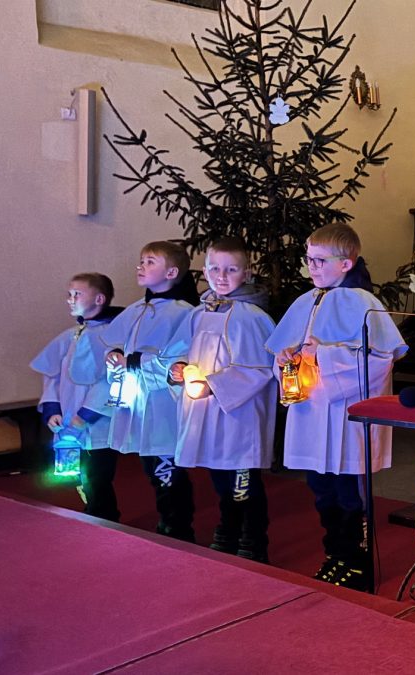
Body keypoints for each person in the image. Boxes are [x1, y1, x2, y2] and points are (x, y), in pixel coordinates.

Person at [266, 223, 408, 591]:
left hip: (345, 414)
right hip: (311, 412)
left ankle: (356, 563)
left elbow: (380, 361)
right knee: (320, 487)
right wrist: (285, 358)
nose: (311, 267)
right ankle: (335, 555)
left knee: (348, 490)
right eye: (308, 259)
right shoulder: (305, 302)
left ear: (346, 263)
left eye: (320, 260)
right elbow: (283, 355)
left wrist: (323, 356)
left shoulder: (364, 304)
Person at [162, 237, 277, 562]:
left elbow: (260, 368)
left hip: (239, 416)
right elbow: (179, 351)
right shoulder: (199, 314)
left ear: (247, 272)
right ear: (204, 271)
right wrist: (177, 368)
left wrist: (215, 385)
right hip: (206, 413)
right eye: (214, 268)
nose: (221, 276)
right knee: (219, 477)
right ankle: (227, 529)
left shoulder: (252, 317)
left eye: (231, 270)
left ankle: (252, 540)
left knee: (243, 483)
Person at [101, 242, 200, 541]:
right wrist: (114, 356)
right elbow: (116, 343)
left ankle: (177, 528)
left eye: (150, 262)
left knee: (165, 466)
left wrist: (134, 362)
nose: (140, 266)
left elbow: (178, 359)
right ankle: (167, 521)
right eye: (141, 260)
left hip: (163, 403)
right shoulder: (136, 310)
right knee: (150, 465)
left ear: (171, 272)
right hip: (139, 398)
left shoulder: (184, 312)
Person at [31, 273, 123, 521]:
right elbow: (52, 373)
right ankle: (92, 512)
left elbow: (111, 380)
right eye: (69, 294)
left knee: (97, 475)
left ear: (99, 299)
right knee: (80, 475)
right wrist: (52, 408)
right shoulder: (71, 335)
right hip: (68, 418)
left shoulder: (111, 337)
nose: (70, 299)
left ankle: (105, 518)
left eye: (77, 294)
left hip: (98, 422)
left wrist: (86, 415)